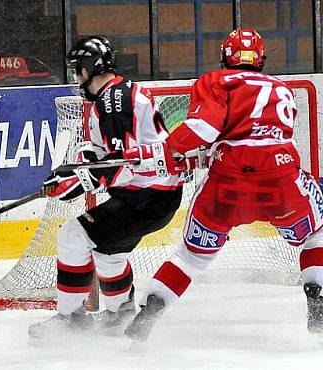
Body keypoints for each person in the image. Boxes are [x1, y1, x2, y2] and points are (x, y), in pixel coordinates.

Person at [123, 28, 323, 341]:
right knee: (316, 235)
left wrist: (166, 151)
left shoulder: (217, 80)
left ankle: (150, 312)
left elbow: (203, 129)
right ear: (261, 59)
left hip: (228, 186)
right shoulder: (282, 88)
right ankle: (317, 297)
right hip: (282, 182)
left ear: (223, 57)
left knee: (190, 257)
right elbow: (260, 137)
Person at [28, 36, 184, 340]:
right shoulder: (118, 94)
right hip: (152, 195)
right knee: (107, 250)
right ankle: (120, 313)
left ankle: (71, 318)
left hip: (146, 196)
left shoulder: (113, 102)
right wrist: (71, 173)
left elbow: (117, 163)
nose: (77, 77)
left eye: (78, 70)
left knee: (73, 234)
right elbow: (106, 157)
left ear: (89, 68)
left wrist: (73, 183)